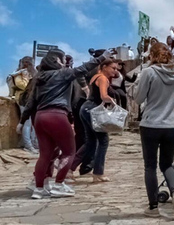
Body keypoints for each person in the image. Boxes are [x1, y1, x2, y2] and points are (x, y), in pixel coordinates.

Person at [20, 49, 108, 198]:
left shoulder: (39, 77)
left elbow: (31, 102)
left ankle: (39, 188)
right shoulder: (63, 73)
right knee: (68, 152)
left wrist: (22, 122)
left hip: (40, 117)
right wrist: (102, 58)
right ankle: (59, 184)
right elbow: (83, 69)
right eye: (62, 59)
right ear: (57, 60)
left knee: (45, 155)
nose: (65, 62)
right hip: (57, 115)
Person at [134, 42, 174, 217]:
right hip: (172, 124)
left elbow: (139, 98)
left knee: (150, 165)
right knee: (167, 164)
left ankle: (153, 206)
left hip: (151, 124)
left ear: (152, 55)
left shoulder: (148, 72)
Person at [71, 58, 120, 183]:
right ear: (104, 67)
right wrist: (113, 102)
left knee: (90, 141)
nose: (115, 71)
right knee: (103, 140)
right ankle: (98, 172)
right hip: (93, 109)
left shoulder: (95, 76)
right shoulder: (103, 78)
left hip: (86, 108)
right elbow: (104, 96)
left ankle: (69, 168)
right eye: (113, 68)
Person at [8, 57, 38, 154]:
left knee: (34, 122)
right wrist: (28, 80)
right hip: (23, 99)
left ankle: (34, 143)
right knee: (27, 122)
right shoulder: (19, 73)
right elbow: (22, 85)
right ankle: (28, 145)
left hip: (33, 99)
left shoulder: (34, 73)